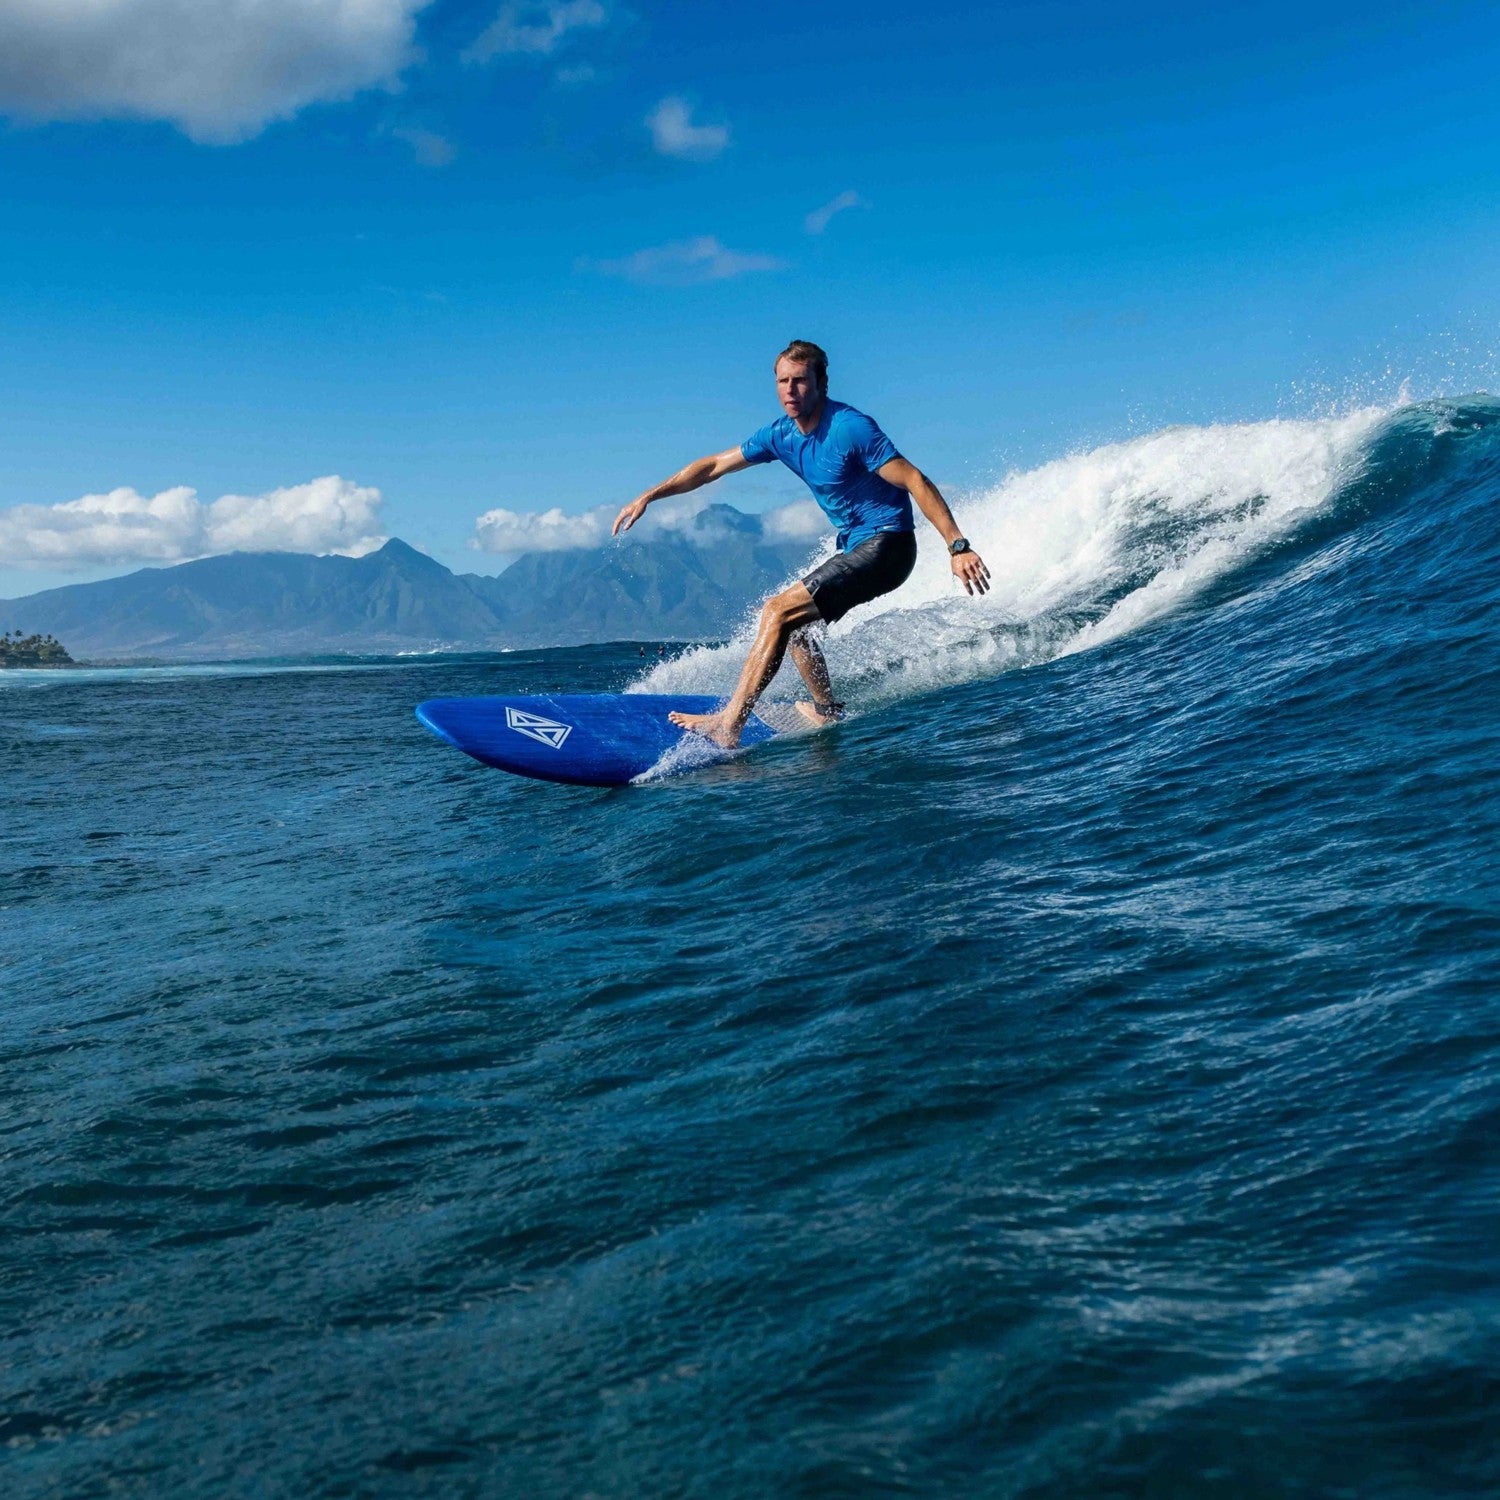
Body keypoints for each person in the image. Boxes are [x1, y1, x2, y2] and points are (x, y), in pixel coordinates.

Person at [611, 339, 990, 747]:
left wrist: (957, 546)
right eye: (782, 381)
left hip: (888, 546)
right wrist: (651, 494)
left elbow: (915, 479)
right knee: (794, 626)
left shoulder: (850, 428)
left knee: (777, 610)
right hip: (858, 548)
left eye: (800, 381)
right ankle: (827, 710)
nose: (790, 390)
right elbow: (713, 466)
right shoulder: (780, 435)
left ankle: (729, 724)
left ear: (821, 383)